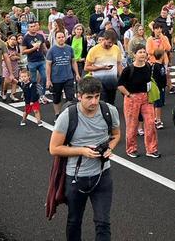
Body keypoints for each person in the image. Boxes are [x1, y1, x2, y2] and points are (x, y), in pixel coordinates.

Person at [50, 77, 122, 241]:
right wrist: (82, 151)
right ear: (79, 96)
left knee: (103, 223)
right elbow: (54, 148)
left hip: (102, 176)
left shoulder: (109, 111)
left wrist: (110, 147)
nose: (94, 102)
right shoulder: (67, 116)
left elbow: (117, 134)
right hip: (76, 178)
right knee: (74, 220)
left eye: (97, 96)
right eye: (89, 97)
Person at [117, 47, 159, 158]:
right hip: (132, 99)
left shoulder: (148, 66)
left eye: (144, 52)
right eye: (140, 52)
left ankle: (151, 149)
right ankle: (131, 149)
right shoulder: (128, 70)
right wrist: (129, 95)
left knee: (150, 123)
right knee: (132, 125)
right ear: (134, 55)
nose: (142, 54)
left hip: (146, 97)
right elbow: (120, 85)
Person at [83, 30, 123, 106]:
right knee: (103, 104)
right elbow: (86, 67)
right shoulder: (94, 50)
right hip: (98, 83)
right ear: (104, 39)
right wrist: (101, 67)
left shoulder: (116, 49)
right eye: (109, 42)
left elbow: (119, 64)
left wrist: (122, 78)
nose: (111, 45)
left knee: (111, 104)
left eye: (113, 43)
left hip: (112, 83)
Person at [46, 31, 80, 117]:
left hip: (68, 77)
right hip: (56, 78)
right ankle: (57, 115)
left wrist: (77, 73)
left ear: (65, 37)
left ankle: (69, 114)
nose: (61, 39)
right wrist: (48, 80)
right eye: (59, 37)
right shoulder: (51, 50)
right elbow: (48, 65)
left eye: (62, 37)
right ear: (55, 39)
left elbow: (73, 61)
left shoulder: (69, 48)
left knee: (70, 97)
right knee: (57, 98)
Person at [22, 21, 50, 104]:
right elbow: (23, 51)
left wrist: (48, 57)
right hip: (32, 61)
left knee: (44, 77)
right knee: (33, 81)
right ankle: (31, 95)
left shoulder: (40, 36)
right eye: (31, 26)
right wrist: (33, 49)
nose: (33, 28)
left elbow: (44, 48)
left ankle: (42, 95)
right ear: (28, 28)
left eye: (34, 26)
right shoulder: (26, 38)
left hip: (41, 60)